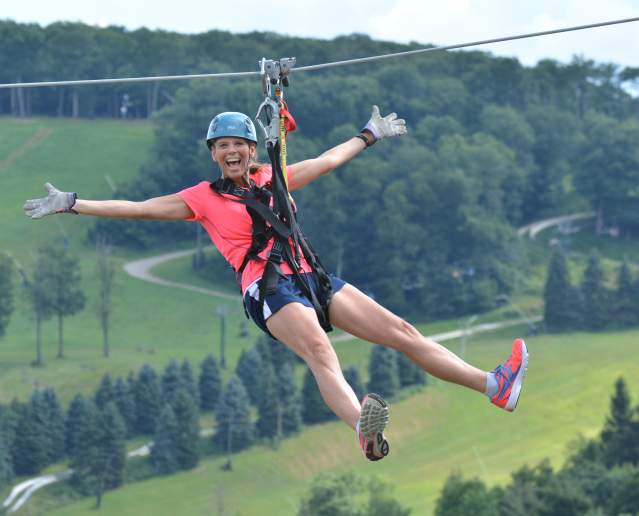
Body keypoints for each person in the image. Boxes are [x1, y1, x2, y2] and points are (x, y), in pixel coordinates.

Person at [24, 106, 528, 461]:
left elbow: (327, 161)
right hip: (268, 289)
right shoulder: (203, 197)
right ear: (214, 154)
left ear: (250, 149)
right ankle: (362, 428)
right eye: (221, 147)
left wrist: (368, 134)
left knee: (403, 331)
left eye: (238, 146)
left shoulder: (273, 179)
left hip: (311, 275)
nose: (230, 153)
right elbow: (137, 209)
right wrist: (74, 202)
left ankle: (494, 386)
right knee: (320, 352)